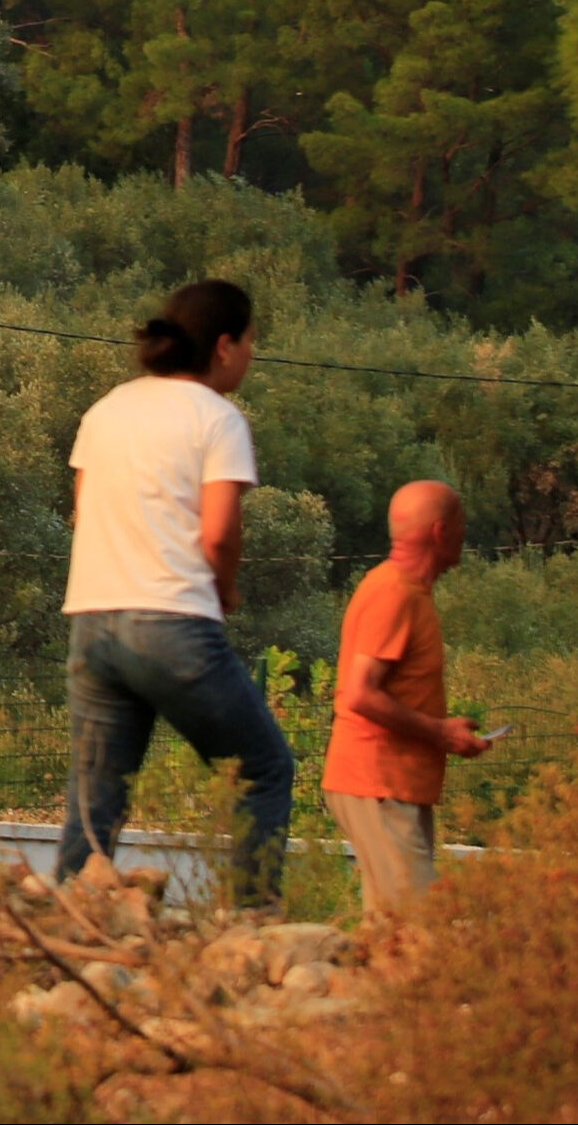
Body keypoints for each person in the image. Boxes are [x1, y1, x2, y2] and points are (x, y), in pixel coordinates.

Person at [53, 279, 296, 904]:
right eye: (249, 341)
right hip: (171, 622)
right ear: (223, 347)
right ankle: (252, 921)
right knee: (262, 769)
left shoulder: (107, 409)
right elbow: (218, 534)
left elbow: (82, 513)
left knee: (95, 797)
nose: (250, 354)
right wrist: (226, 591)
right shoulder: (218, 419)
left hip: (91, 615)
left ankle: (69, 920)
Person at [325, 480, 493, 911]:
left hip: (393, 787)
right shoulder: (393, 592)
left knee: (388, 933)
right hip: (377, 783)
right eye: (461, 523)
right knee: (420, 927)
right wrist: (439, 733)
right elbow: (359, 694)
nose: (465, 533)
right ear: (440, 532)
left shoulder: (406, 591)